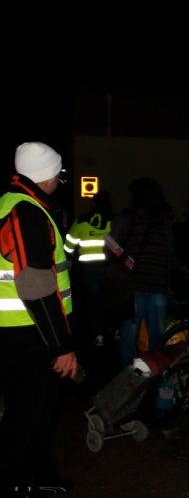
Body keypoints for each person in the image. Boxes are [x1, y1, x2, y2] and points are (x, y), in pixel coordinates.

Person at [0, 143, 76, 494]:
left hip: (19, 331)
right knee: (27, 415)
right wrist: (61, 346)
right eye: (58, 174)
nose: (59, 181)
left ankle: (40, 477)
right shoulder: (27, 212)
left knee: (37, 411)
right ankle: (17, 482)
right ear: (47, 175)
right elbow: (35, 285)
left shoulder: (8, 203)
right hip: (28, 333)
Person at [112, 177, 177, 366]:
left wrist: (127, 262)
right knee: (156, 334)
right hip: (156, 285)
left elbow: (111, 247)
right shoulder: (163, 220)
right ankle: (155, 369)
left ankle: (131, 374)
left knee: (129, 335)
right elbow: (170, 252)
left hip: (135, 285)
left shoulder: (127, 217)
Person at [64, 189, 114, 347]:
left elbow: (69, 245)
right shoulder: (114, 219)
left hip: (89, 268)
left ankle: (99, 335)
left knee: (94, 301)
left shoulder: (82, 220)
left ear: (93, 202)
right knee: (113, 299)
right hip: (110, 268)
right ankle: (115, 330)